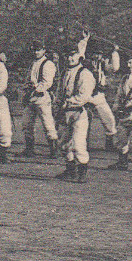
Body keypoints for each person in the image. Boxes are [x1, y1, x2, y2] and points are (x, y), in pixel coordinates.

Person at [55, 43, 96, 183]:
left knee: (78, 144)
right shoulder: (65, 72)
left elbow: (84, 96)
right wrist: (58, 104)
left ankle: (82, 171)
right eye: (67, 55)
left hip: (79, 112)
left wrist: (69, 102)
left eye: (72, 55)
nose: (70, 58)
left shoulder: (85, 73)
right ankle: (70, 170)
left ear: (78, 55)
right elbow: (59, 92)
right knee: (63, 144)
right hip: (65, 113)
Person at [76, 32, 119, 152]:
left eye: (99, 54)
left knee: (109, 119)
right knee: (84, 121)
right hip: (86, 95)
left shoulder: (103, 64)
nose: (97, 56)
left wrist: (115, 52)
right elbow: (80, 52)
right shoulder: (84, 62)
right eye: (95, 53)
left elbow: (114, 68)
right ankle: (83, 143)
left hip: (99, 95)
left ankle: (109, 144)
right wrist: (85, 39)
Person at [19, 40, 59, 158]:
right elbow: (28, 79)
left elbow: (47, 83)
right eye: (34, 50)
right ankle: (29, 149)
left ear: (44, 50)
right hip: (31, 98)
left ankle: (54, 150)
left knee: (48, 124)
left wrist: (35, 89)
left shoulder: (48, 64)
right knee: (26, 124)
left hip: (42, 98)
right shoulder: (33, 63)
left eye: (38, 50)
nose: (36, 52)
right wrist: (25, 90)